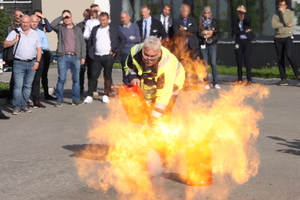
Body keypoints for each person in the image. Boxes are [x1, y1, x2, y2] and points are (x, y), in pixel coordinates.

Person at [124, 36, 185, 122]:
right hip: (148, 79)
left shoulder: (166, 66)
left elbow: (163, 96)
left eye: (153, 56)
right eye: (146, 55)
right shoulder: (135, 51)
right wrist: (133, 76)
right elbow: (128, 66)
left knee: (164, 109)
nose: (149, 59)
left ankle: (163, 128)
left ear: (159, 53)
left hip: (173, 81)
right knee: (146, 105)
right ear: (143, 50)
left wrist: (155, 117)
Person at [83, 12, 126, 104]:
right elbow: (90, 40)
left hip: (108, 56)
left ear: (108, 20)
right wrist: (91, 51)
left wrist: (116, 50)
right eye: (100, 20)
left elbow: (123, 39)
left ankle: (106, 94)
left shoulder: (114, 29)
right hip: (97, 56)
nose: (102, 22)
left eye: (104, 20)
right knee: (93, 76)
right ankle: (89, 95)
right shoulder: (95, 29)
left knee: (107, 76)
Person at [3, 14, 42, 115]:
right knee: (18, 86)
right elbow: (5, 44)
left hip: (32, 62)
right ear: (20, 22)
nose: (25, 24)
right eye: (23, 22)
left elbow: (39, 49)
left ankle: (25, 105)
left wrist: (37, 62)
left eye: (27, 22)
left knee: (28, 86)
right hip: (18, 62)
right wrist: (15, 40)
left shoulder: (35, 34)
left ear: (30, 23)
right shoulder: (15, 32)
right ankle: (16, 106)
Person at [51, 10, 86, 107]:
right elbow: (52, 25)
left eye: (68, 17)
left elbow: (82, 43)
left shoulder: (78, 29)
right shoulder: (60, 28)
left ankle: (76, 99)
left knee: (76, 79)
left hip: (75, 57)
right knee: (62, 79)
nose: (66, 19)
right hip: (63, 57)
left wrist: (83, 57)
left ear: (72, 17)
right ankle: (59, 99)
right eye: (65, 17)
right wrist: (61, 16)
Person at [271, 0, 300, 85]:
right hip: (278, 38)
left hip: (287, 36)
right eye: (280, 5)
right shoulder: (275, 15)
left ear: (286, 5)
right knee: (280, 58)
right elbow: (274, 25)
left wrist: (283, 14)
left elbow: (288, 21)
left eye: (283, 5)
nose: (281, 6)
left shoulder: (290, 13)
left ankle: (297, 74)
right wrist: (284, 25)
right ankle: (283, 78)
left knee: (289, 55)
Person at [33, 9, 56, 99]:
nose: (38, 18)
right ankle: (35, 96)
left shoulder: (42, 26)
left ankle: (46, 93)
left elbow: (50, 28)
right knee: (36, 75)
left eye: (39, 16)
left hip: (46, 53)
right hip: (38, 53)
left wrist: (44, 18)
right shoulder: (33, 27)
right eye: (36, 16)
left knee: (44, 74)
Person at [232, 5, 255, 85]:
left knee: (247, 59)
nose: (240, 14)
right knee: (239, 60)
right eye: (239, 12)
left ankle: (249, 79)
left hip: (247, 41)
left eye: (241, 12)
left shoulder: (246, 20)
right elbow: (235, 32)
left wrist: (244, 12)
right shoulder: (235, 21)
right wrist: (244, 32)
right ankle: (239, 79)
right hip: (239, 42)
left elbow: (248, 20)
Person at [198, 6, 220, 89]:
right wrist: (204, 35)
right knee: (205, 63)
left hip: (212, 43)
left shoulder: (213, 21)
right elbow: (198, 32)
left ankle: (215, 83)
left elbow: (217, 30)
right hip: (203, 43)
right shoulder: (200, 22)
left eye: (208, 13)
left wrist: (211, 32)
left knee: (213, 63)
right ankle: (206, 82)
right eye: (205, 13)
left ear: (210, 14)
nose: (206, 14)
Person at [30, 15, 49, 108]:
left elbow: (46, 46)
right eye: (32, 21)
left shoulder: (41, 33)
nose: (34, 23)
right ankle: (25, 100)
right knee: (27, 81)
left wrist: (38, 45)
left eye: (36, 22)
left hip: (39, 57)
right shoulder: (25, 32)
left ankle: (36, 100)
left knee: (36, 80)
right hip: (28, 58)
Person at [4, 9, 23, 101]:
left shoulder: (25, 26)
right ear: (13, 16)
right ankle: (12, 97)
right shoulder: (10, 27)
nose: (18, 17)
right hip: (13, 54)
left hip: (23, 53)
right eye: (17, 15)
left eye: (20, 15)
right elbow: (8, 40)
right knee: (15, 76)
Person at [82, 4, 101, 96]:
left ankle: (96, 88)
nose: (94, 13)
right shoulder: (89, 22)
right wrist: (92, 36)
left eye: (95, 11)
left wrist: (99, 11)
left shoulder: (103, 19)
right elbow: (85, 35)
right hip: (92, 47)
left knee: (98, 70)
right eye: (92, 11)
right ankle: (92, 89)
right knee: (91, 70)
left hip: (102, 47)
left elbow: (109, 22)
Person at [119, 11, 141, 85]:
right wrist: (131, 38)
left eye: (124, 17)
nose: (123, 19)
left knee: (135, 70)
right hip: (124, 52)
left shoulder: (135, 26)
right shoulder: (119, 28)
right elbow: (122, 40)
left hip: (134, 52)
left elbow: (138, 39)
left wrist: (127, 39)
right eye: (121, 18)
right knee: (125, 71)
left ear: (129, 17)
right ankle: (126, 86)